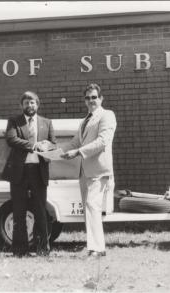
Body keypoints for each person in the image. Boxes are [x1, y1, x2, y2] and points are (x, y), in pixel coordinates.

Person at [61, 83, 116, 257]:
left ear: (101, 99)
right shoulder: (85, 120)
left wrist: (77, 152)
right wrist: (53, 149)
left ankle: (98, 249)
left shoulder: (107, 115)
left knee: (93, 205)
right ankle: (94, 247)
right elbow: (75, 142)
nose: (91, 100)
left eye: (94, 97)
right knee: (89, 208)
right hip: (84, 171)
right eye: (88, 98)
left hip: (99, 171)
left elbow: (102, 141)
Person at [2, 91, 56, 257]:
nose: (29, 106)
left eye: (32, 102)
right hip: (19, 172)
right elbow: (11, 139)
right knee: (19, 211)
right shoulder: (14, 121)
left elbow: (53, 144)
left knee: (40, 211)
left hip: (39, 172)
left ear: (37, 104)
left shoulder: (46, 123)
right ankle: (20, 250)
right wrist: (34, 145)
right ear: (22, 105)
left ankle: (42, 250)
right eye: (26, 103)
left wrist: (48, 146)